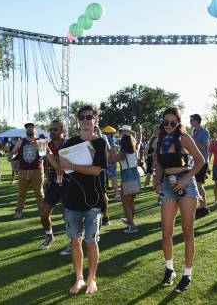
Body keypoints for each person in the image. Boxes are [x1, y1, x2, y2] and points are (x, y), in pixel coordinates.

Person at [154, 107, 205, 293]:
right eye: (165, 122)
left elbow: (200, 161)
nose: (168, 126)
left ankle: (187, 273)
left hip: (186, 183)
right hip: (167, 184)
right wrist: (157, 181)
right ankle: (170, 269)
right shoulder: (160, 138)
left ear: (178, 123)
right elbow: (159, 163)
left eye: (172, 123)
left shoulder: (184, 138)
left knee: (187, 231)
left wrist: (185, 179)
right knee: (166, 232)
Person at [59, 105, 107, 295]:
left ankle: (91, 278)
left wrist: (72, 165)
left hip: (93, 201)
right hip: (72, 200)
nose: (86, 120)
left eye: (89, 117)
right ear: (78, 120)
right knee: (75, 241)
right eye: (82, 117)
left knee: (91, 240)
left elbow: (96, 170)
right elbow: (61, 165)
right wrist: (48, 156)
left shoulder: (101, 143)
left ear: (95, 120)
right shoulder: (70, 142)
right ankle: (79, 277)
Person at [39, 119, 69, 251]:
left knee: (67, 216)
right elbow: (47, 163)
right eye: (50, 129)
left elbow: (63, 166)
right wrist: (46, 178)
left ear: (63, 130)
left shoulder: (69, 145)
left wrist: (50, 155)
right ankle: (49, 235)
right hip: (53, 184)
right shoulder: (47, 144)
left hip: (68, 183)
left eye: (55, 129)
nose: (52, 132)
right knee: (44, 214)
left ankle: (72, 242)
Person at [11, 123, 45, 219]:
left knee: (39, 193)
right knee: (21, 193)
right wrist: (11, 156)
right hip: (23, 171)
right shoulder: (21, 141)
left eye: (31, 127)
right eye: (27, 128)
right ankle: (19, 211)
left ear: (35, 129)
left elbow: (45, 154)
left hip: (37, 170)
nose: (29, 129)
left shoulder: (40, 141)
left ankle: (43, 211)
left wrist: (39, 146)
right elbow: (14, 152)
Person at [113, 125, 141, 234]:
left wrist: (111, 152)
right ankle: (130, 221)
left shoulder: (123, 152)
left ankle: (132, 225)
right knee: (131, 202)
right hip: (135, 174)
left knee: (126, 203)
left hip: (128, 175)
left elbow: (113, 160)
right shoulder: (134, 149)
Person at [190, 113, 210, 218]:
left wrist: (192, 139)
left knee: (198, 185)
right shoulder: (193, 131)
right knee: (197, 185)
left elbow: (203, 147)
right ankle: (202, 206)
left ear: (197, 121)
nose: (190, 122)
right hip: (194, 162)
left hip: (202, 162)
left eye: (192, 120)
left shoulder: (204, 132)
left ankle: (204, 207)